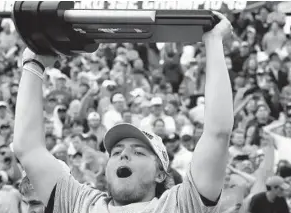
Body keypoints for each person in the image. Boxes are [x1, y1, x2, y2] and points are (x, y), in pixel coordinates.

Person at [13, 11, 234, 213]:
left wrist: (213, 41)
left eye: (139, 152)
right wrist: (34, 62)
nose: (124, 155)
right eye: (116, 152)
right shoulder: (80, 202)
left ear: (160, 174)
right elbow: (28, 150)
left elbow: (218, 133)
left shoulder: (180, 204)